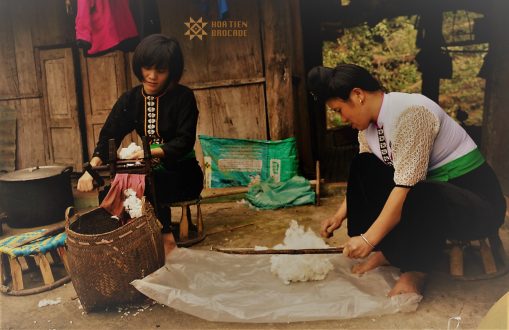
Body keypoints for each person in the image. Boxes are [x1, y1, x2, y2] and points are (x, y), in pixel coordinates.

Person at [307, 64, 506, 296]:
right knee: (364, 166)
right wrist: (339, 216)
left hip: (478, 206)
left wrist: (369, 240)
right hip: (437, 195)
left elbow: (404, 188)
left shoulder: (412, 114)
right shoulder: (367, 129)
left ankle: (416, 269)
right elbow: (365, 180)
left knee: (415, 189)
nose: (342, 118)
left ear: (358, 95)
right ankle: (391, 251)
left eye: (339, 110)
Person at [77, 34, 203, 254]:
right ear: (139, 66)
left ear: (172, 71)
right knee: (110, 191)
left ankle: (164, 236)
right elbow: (109, 134)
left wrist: (147, 153)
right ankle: (125, 239)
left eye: (161, 71)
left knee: (148, 181)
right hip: (146, 172)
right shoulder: (131, 99)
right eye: (147, 68)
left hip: (182, 173)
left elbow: (184, 142)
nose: (152, 76)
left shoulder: (184, 97)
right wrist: (91, 169)